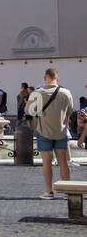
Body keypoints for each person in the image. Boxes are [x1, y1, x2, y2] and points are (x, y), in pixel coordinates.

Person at [28, 68, 73, 200]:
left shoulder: (37, 93)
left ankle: (48, 192)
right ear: (57, 78)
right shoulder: (66, 92)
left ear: (45, 77)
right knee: (63, 162)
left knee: (46, 162)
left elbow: (30, 112)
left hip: (44, 131)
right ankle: (68, 191)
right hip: (61, 131)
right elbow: (70, 112)